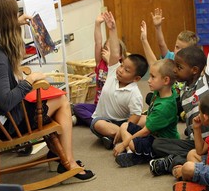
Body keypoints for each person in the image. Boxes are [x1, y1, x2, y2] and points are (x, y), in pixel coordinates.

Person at [0, 0, 95, 183]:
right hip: (4, 126)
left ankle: (57, 154)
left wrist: (16, 20)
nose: (17, 18)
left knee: (50, 104)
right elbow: (7, 101)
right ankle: (68, 161)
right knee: (62, 102)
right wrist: (29, 81)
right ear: (6, 22)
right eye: (14, 15)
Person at [148, 0, 209, 177]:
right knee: (158, 144)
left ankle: (175, 162)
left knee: (193, 157)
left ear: (195, 70)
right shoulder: (182, 87)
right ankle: (179, 161)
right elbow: (158, 67)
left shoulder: (207, 80)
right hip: (195, 142)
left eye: (179, 68)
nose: (175, 70)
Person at [113, 32, 180, 167]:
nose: (148, 81)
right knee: (125, 125)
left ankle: (134, 154)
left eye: (152, 77)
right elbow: (153, 63)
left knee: (131, 142)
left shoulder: (164, 108)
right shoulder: (163, 88)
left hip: (161, 143)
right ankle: (133, 152)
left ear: (166, 80)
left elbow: (145, 132)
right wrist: (144, 39)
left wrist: (123, 144)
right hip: (154, 131)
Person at [90, 11, 148, 150]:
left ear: (136, 79)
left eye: (127, 70)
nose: (121, 70)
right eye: (122, 66)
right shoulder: (112, 73)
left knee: (148, 120)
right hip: (105, 121)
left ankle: (118, 138)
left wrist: (125, 127)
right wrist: (112, 29)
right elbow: (115, 54)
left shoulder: (134, 93)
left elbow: (135, 115)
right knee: (97, 124)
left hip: (125, 122)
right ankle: (129, 139)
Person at [72, 13, 127, 127]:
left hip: (113, 109)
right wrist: (97, 24)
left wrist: (110, 61)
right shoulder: (100, 63)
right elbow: (98, 43)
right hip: (99, 107)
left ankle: (99, 123)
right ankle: (99, 122)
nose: (106, 51)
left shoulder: (120, 69)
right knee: (77, 107)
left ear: (120, 55)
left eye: (110, 49)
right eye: (105, 49)